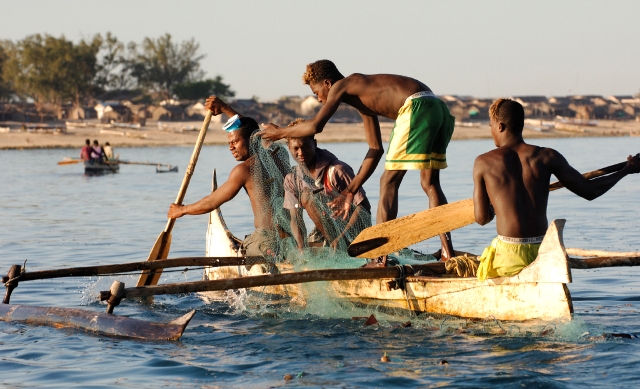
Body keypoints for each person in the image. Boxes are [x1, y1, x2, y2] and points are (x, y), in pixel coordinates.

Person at [259, 60, 455, 265]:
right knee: (429, 183)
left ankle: (380, 257)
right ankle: (447, 253)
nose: (318, 99)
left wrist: (279, 132)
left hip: (416, 106)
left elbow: (316, 126)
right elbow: (375, 149)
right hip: (437, 106)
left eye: (317, 92)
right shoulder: (362, 98)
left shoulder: (342, 85)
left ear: (328, 83)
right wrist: (350, 191)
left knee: (388, 183)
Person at [472, 98, 640, 280]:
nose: (491, 131)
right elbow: (590, 191)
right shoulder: (547, 156)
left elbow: (481, 218)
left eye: (490, 125)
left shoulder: (484, 162)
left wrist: (494, 204)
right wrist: (627, 170)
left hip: (507, 256)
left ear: (500, 126)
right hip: (543, 250)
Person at [167, 110, 285, 258]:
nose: (231, 147)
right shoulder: (276, 156)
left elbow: (211, 202)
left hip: (268, 241)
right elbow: (249, 126)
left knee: (246, 250)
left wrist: (182, 210)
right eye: (229, 143)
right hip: (291, 237)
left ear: (251, 140)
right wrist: (223, 107)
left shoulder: (243, 170)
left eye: (235, 142)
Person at [283, 119, 372, 250]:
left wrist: (341, 237)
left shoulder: (337, 170)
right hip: (327, 232)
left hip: (353, 233)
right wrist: (301, 248)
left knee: (308, 196)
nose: (301, 153)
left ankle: (341, 246)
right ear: (289, 147)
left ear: (314, 144)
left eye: (306, 147)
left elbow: (364, 207)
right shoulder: (292, 178)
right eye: (296, 148)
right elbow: (295, 218)